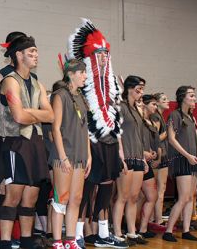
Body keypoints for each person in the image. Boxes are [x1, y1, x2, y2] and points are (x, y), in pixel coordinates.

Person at [67, 18, 128, 248]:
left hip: (110, 141)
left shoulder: (112, 82)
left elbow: (116, 115)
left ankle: (103, 233)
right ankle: (79, 233)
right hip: (90, 141)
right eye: (99, 53)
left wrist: (120, 147)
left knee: (107, 187)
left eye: (106, 53)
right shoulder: (83, 81)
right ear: (92, 56)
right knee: (86, 188)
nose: (103, 57)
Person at [0, 35, 54, 249]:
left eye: (36, 52)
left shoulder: (38, 83)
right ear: (19, 55)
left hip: (35, 144)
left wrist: (29, 112)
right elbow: (18, 118)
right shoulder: (10, 81)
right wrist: (38, 113)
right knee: (13, 195)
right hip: (16, 143)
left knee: (32, 196)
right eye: (31, 53)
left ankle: (27, 240)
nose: (36, 55)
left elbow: (52, 116)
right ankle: (4, 242)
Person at [0, 31, 31, 248]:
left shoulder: (29, 77)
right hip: (7, 135)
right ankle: (2, 235)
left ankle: (18, 234)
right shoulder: (3, 75)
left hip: (26, 137)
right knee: (5, 186)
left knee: (24, 188)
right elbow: (0, 111)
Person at [49, 60, 91, 249]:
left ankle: (71, 239)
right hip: (63, 155)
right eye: (82, 73)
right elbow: (55, 129)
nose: (85, 76)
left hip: (81, 154)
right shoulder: (59, 95)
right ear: (71, 74)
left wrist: (88, 155)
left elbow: (85, 129)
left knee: (76, 199)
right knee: (62, 198)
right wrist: (63, 156)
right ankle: (57, 241)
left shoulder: (81, 97)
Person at [162, 86, 197, 242]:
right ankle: (168, 231)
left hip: (193, 160)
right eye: (191, 95)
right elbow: (171, 139)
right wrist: (187, 155)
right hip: (182, 160)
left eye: (194, 95)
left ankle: (186, 230)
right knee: (184, 197)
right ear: (182, 97)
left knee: (190, 197)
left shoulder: (191, 117)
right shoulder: (175, 115)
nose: (194, 98)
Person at [112, 75, 148, 245]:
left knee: (134, 197)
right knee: (123, 196)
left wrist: (143, 158)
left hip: (138, 157)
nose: (141, 92)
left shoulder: (136, 110)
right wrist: (120, 155)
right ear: (129, 88)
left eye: (143, 89)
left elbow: (139, 136)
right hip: (125, 156)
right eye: (138, 88)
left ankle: (132, 231)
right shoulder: (121, 106)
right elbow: (116, 132)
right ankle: (118, 232)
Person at [137, 94, 159, 238]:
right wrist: (143, 153)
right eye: (153, 104)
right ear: (144, 105)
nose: (155, 107)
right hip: (136, 161)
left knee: (150, 196)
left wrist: (153, 153)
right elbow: (133, 140)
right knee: (130, 197)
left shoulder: (151, 122)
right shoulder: (138, 121)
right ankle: (131, 226)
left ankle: (141, 228)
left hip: (147, 162)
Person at [151, 92, 170, 227]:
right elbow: (155, 138)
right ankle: (158, 220)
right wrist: (169, 131)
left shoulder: (160, 117)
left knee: (158, 189)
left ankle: (154, 218)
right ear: (157, 103)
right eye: (164, 99)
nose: (167, 101)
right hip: (159, 156)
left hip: (162, 155)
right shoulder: (156, 117)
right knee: (159, 189)